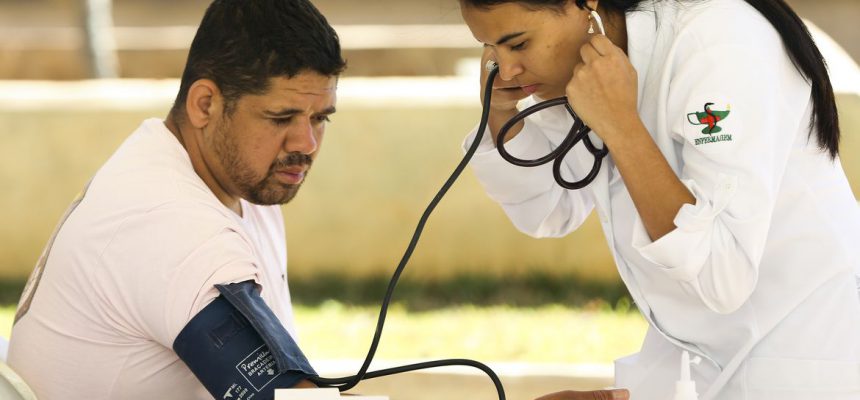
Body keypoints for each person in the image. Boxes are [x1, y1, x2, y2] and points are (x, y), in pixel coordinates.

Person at [457, 0, 860, 399]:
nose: (506, 70)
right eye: (490, 49)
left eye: (519, 44)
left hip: (802, 352)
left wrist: (621, 126)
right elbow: (549, 211)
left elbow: (722, 273)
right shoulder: (587, 65)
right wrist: (499, 114)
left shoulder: (717, 44)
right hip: (694, 358)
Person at [8, 0, 344, 398]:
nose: (306, 144)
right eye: (280, 118)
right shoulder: (170, 223)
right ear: (205, 104)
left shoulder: (232, 179)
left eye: (320, 118)